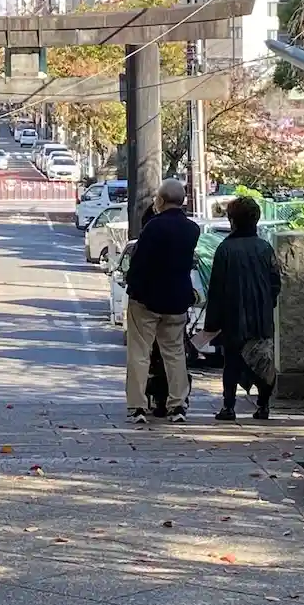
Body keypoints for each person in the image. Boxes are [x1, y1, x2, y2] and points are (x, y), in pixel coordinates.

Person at [124, 179, 200, 424]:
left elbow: (140, 263)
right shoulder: (192, 229)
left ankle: (137, 406)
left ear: (161, 200)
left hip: (146, 299)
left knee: (139, 352)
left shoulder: (153, 227)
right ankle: (177, 404)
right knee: (175, 353)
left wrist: (132, 286)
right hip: (177, 300)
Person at [200, 195, 281, 421]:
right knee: (263, 361)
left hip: (233, 316)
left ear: (232, 221)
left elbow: (216, 289)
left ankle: (229, 406)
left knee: (232, 362)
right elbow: (275, 282)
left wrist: (212, 323)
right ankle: (263, 405)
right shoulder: (265, 248)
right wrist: (268, 303)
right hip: (261, 316)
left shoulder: (225, 249)